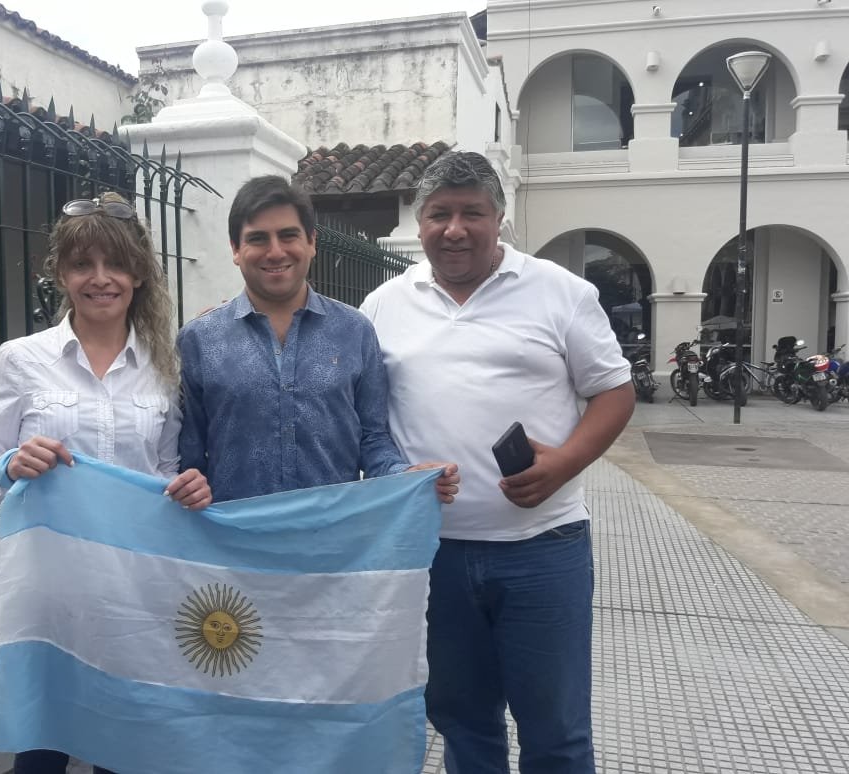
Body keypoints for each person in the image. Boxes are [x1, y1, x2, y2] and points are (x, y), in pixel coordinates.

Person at [360, 152, 635, 774]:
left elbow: (614, 391)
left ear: (499, 218)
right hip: (433, 554)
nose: (454, 229)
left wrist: (565, 463)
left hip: (543, 548)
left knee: (556, 730)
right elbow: (368, 420)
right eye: (439, 215)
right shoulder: (383, 305)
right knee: (462, 723)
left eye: (472, 214)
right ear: (420, 223)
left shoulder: (561, 292)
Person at [0, 191, 211, 774]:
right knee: (41, 743)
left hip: (132, 578)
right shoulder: (21, 359)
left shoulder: (165, 368)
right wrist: (10, 465)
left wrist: (188, 488)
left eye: (116, 263)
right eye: (82, 264)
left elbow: (163, 472)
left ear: (139, 274)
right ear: (60, 273)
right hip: (41, 580)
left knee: (123, 741)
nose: (100, 278)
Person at [176, 174, 459, 504]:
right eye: (258, 239)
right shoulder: (200, 340)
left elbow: (373, 441)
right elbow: (187, 455)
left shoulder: (355, 332)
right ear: (236, 249)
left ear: (311, 241)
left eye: (288, 235)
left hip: (334, 531)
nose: (275, 252)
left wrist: (406, 476)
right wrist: (189, 486)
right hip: (233, 534)